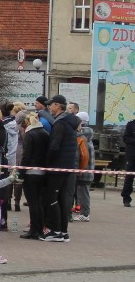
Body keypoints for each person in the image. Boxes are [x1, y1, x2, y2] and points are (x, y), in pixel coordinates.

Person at [41, 94, 79, 242]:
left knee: (52, 197)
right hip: (67, 165)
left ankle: (55, 230)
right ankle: (63, 231)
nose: (49, 107)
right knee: (62, 198)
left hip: (58, 165)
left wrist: (48, 162)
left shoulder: (60, 123)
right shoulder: (70, 122)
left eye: (51, 104)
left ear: (58, 106)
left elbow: (54, 145)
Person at [18, 112, 49, 239]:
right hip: (42, 172)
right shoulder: (46, 133)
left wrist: (21, 172)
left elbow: (26, 155)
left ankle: (34, 230)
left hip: (31, 172)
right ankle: (40, 228)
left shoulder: (30, 135)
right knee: (39, 202)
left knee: (32, 203)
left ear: (27, 123)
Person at [74, 111, 94, 222]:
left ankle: (85, 214)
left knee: (83, 193)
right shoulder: (88, 138)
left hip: (84, 171)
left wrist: (80, 169)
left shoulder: (82, 137)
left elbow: (84, 156)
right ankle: (83, 212)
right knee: (82, 192)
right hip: (87, 170)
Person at [122, 116, 135, 208]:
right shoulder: (131, 125)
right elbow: (126, 138)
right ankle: (126, 198)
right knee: (129, 178)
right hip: (132, 156)